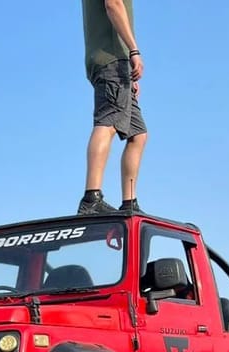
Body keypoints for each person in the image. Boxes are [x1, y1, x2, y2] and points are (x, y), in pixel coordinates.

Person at [77, 0, 148, 216]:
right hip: (112, 60)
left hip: (116, 62)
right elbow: (113, 4)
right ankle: (91, 198)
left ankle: (129, 203)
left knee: (138, 134)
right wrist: (133, 51)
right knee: (108, 123)